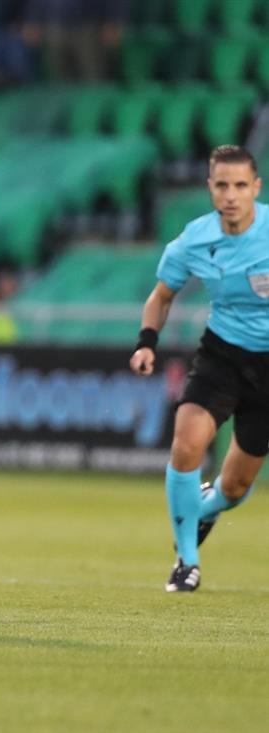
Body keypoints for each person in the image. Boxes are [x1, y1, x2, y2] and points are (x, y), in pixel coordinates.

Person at [130, 144, 267, 593]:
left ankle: (202, 510)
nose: (231, 195)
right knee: (186, 446)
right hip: (222, 356)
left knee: (235, 487)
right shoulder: (194, 239)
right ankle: (186, 561)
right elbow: (161, 295)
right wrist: (147, 343)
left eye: (240, 185)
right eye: (222, 185)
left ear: (256, 188)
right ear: (210, 188)